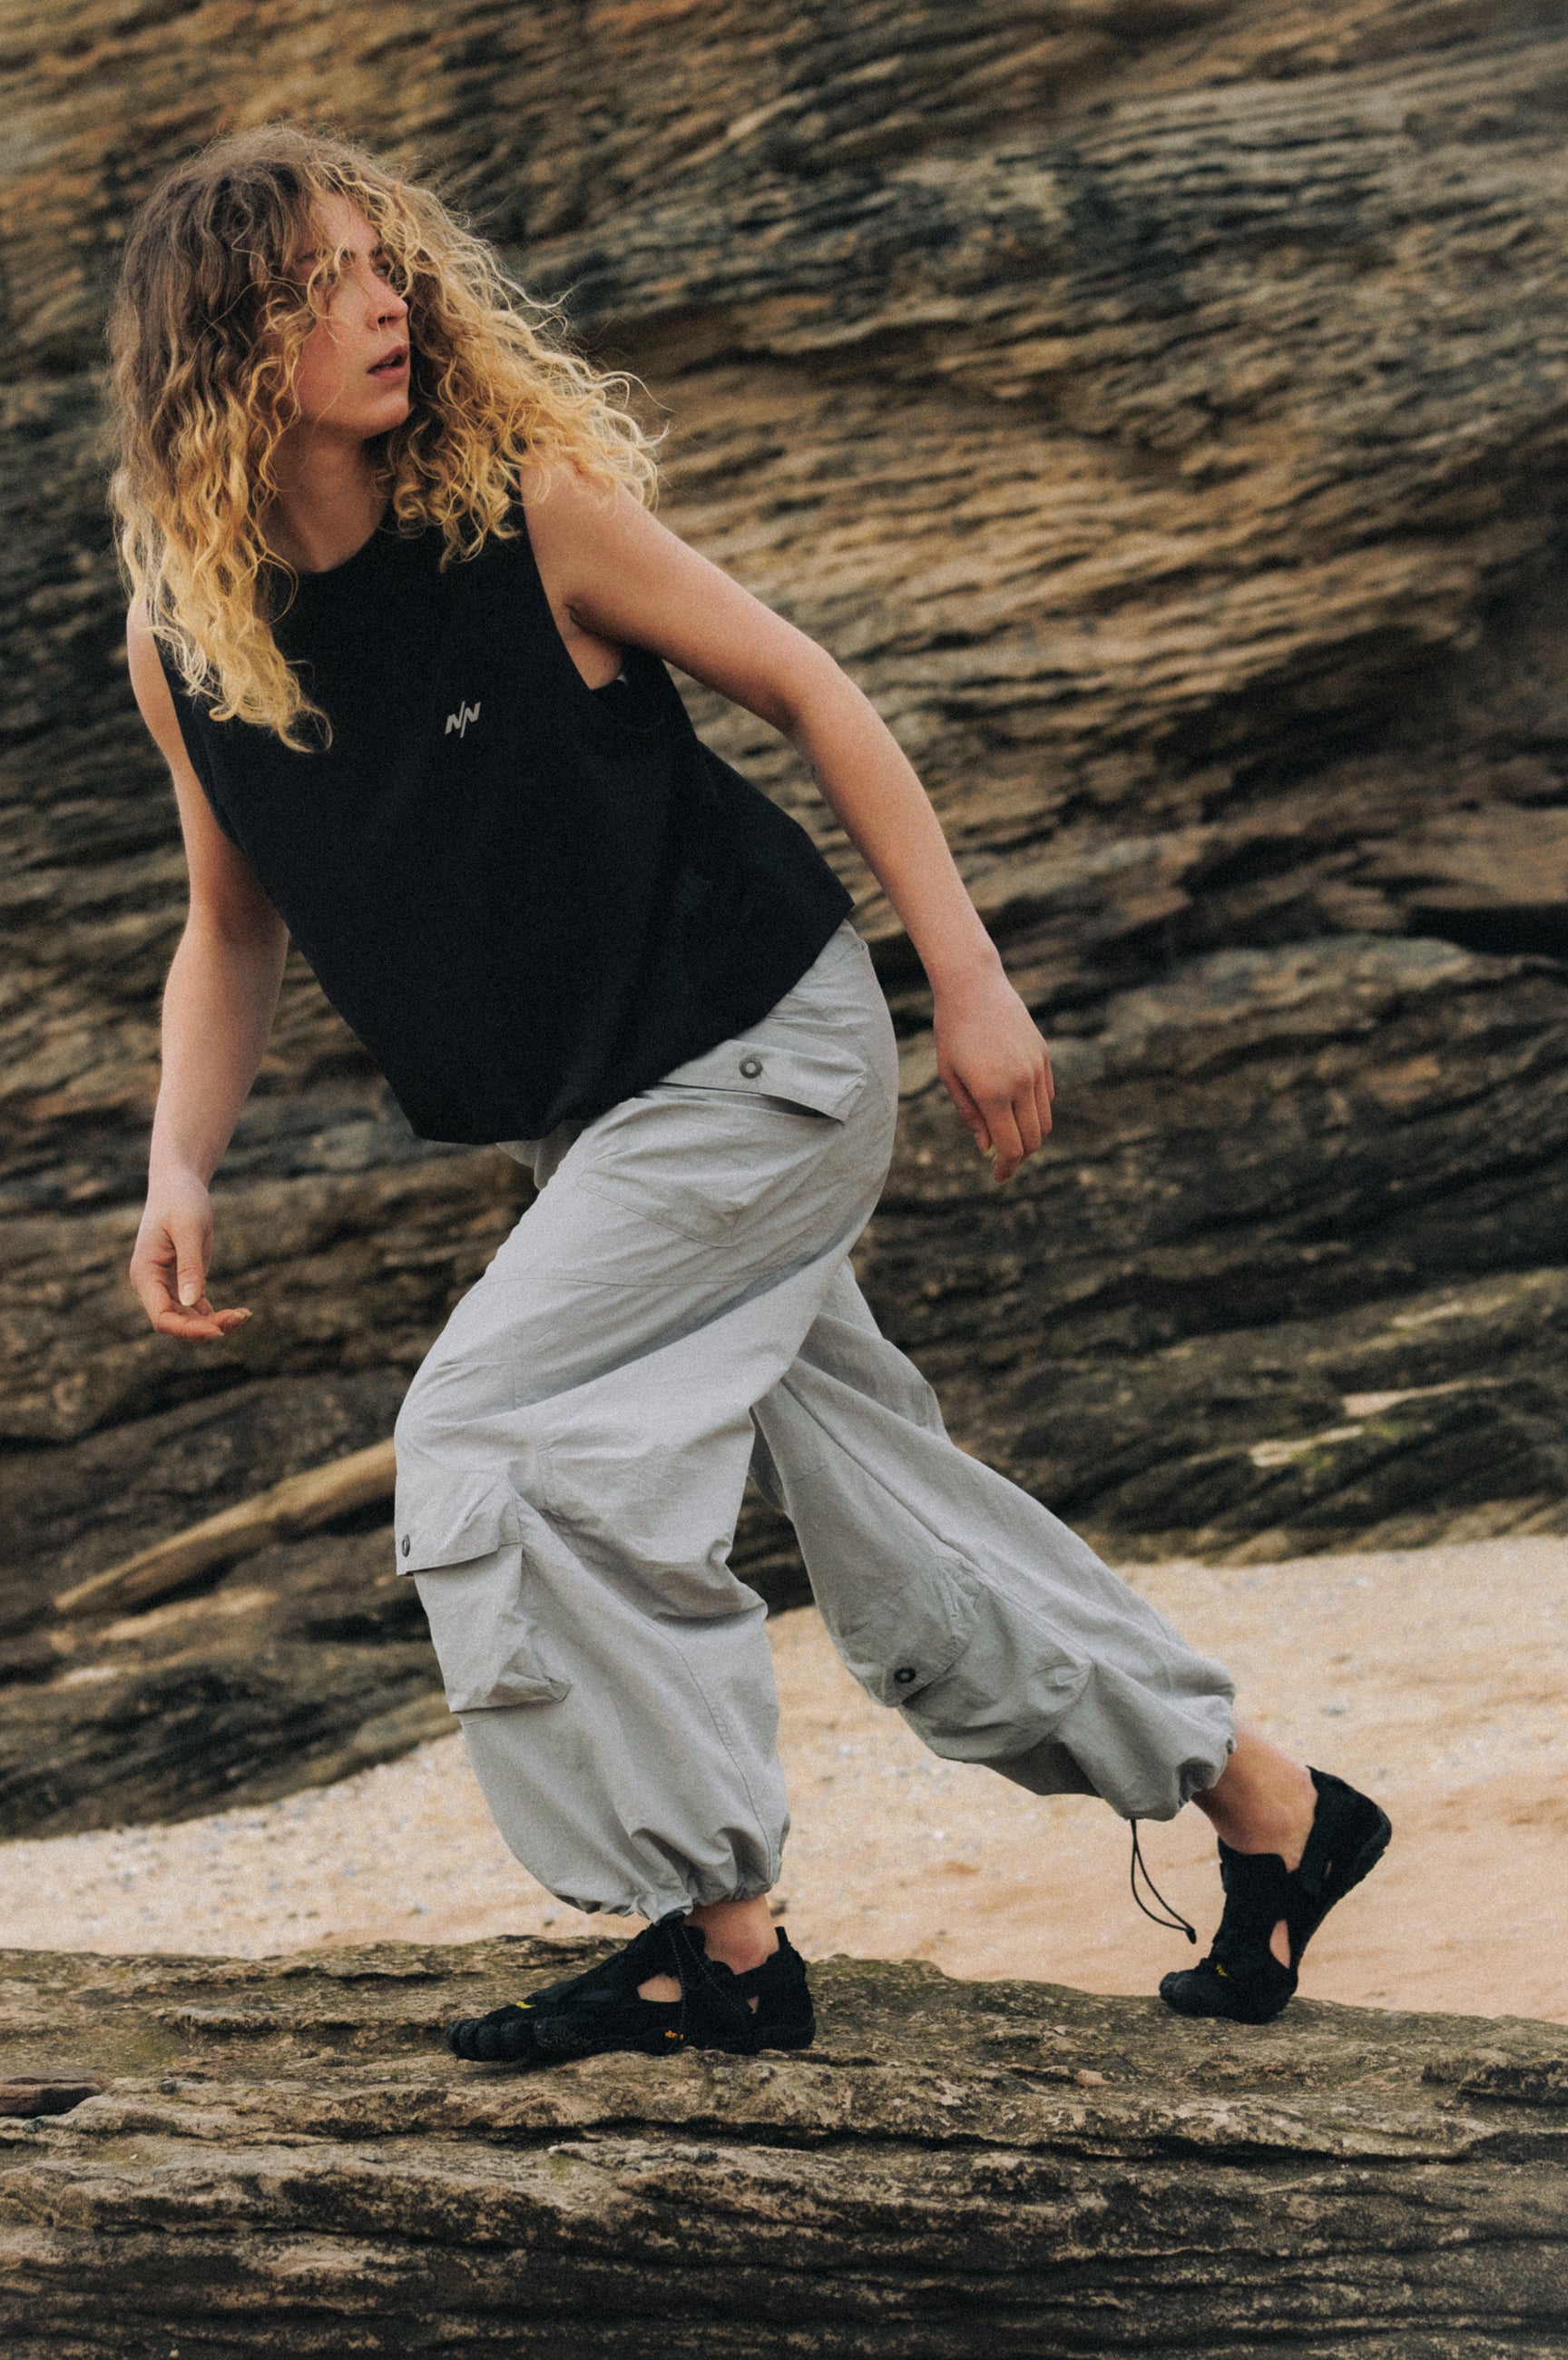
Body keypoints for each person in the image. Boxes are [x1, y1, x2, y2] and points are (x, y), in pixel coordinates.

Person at [106, 123, 1390, 2061]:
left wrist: (967, 979)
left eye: (383, 262)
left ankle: (716, 1939)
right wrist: (178, 1158)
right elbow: (232, 921)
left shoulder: (529, 517)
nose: (382, 302)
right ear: (222, 349)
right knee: (893, 1534)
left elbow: (810, 688)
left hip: (764, 1056)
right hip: (605, 1118)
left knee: (490, 1438)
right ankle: (1275, 1811)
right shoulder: (190, 642)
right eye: (320, 282)